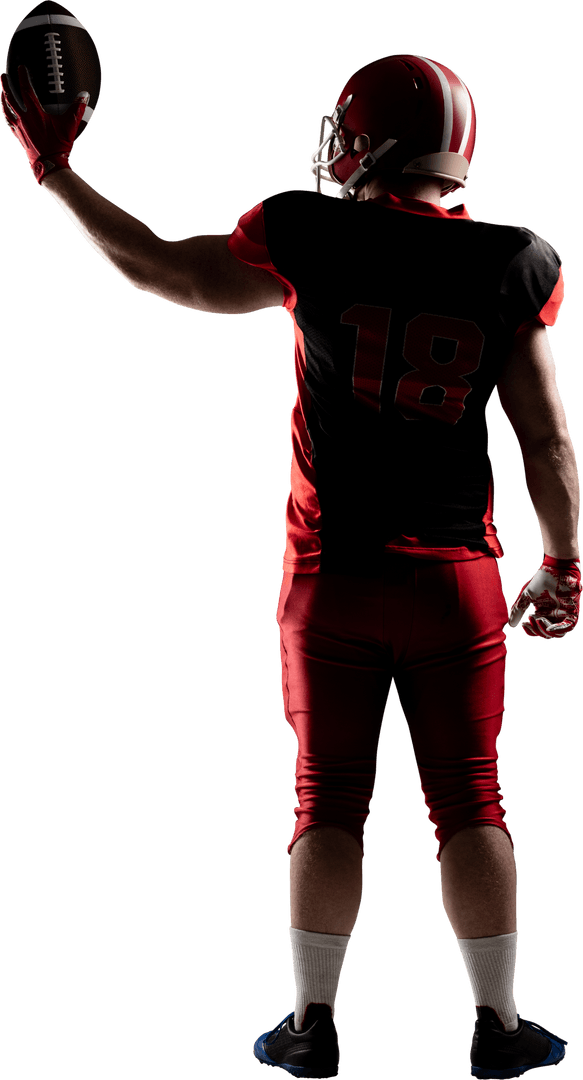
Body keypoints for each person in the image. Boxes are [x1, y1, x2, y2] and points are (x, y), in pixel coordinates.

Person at [1, 52, 579, 1080]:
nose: (335, 148)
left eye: (348, 133)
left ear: (378, 146)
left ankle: (313, 1025)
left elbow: (154, 265)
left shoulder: (309, 234)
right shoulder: (513, 261)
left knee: (327, 802)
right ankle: (498, 1028)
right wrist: (566, 558)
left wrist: (54, 174)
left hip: (332, 581)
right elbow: (546, 443)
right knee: (471, 799)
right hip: (458, 582)